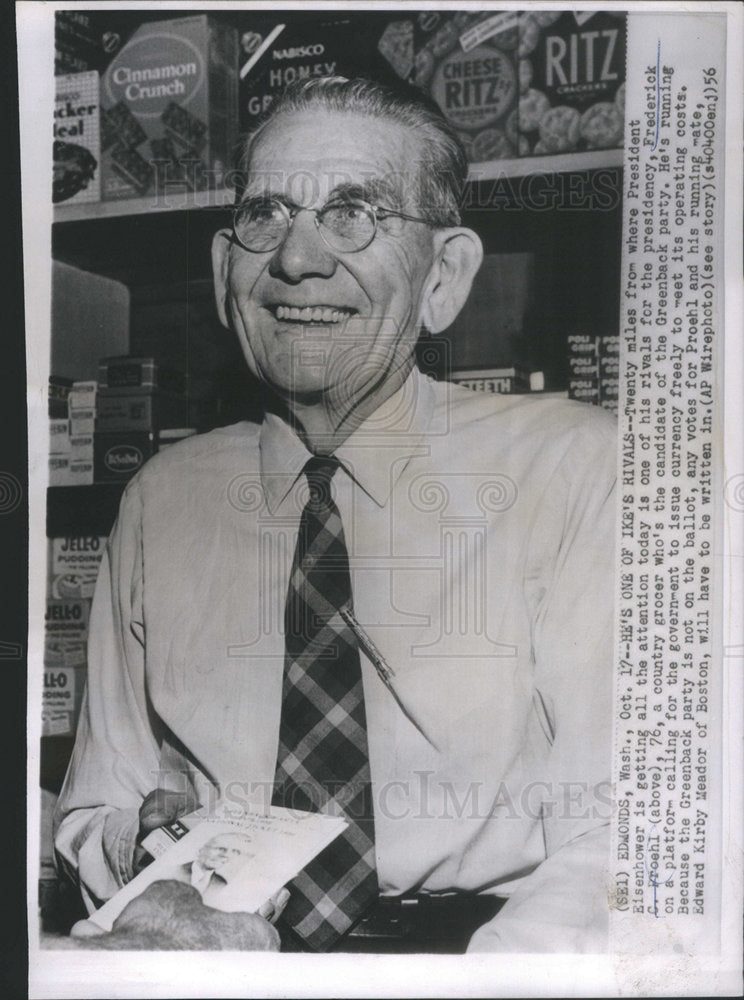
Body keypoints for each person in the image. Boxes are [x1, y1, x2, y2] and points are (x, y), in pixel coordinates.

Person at [54, 76, 617, 953]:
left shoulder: (578, 467)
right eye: (266, 213)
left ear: (443, 277)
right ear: (221, 268)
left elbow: (623, 835)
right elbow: (97, 802)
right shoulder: (162, 497)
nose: (297, 259)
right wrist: (144, 860)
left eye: (355, 212)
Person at [174, 833, 255, 907]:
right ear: (200, 849)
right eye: (220, 849)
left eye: (235, 851)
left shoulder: (221, 884)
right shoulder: (174, 871)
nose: (226, 855)